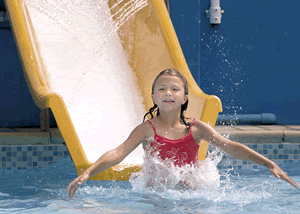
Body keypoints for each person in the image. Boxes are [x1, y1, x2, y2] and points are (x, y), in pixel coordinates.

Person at [66, 68, 298, 198]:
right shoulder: (147, 129)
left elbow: (230, 147)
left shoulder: (196, 128)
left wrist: (268, 163)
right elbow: (118, 152)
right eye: (162, 89)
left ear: (184, 98)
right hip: (155, 195)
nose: (168, 92)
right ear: (154, 97)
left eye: (175, 89)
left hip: (192, 193)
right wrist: (87, 173)